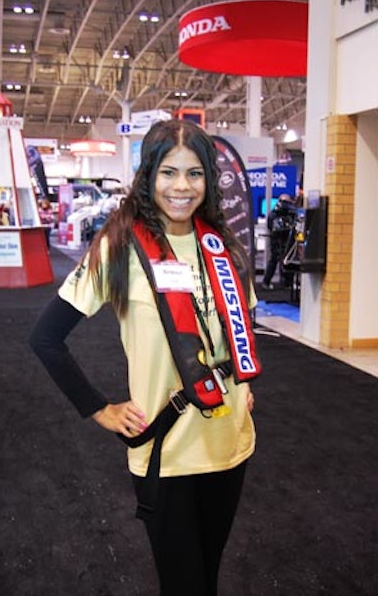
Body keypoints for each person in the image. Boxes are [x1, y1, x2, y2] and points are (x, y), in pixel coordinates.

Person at [29, 119, 261, 596]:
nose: (181, 186)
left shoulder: (224, 246)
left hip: (230, 444)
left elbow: (241, 325)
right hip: (167, 453)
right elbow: (46, 338)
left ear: (208, 180)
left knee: (208, 577)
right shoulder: (118, 246)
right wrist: (99, 408)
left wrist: (244, 383)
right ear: (147, 176)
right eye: (168, 172)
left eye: (195, 174)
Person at [261, 193, 297, 290]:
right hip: (277, 239)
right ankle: (267, 282)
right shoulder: (275, 213)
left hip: (286, 239)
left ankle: (286, 283)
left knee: (286, 260)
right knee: (275, 260)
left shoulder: (290, 212)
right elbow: (271, 225)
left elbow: (294, 224)